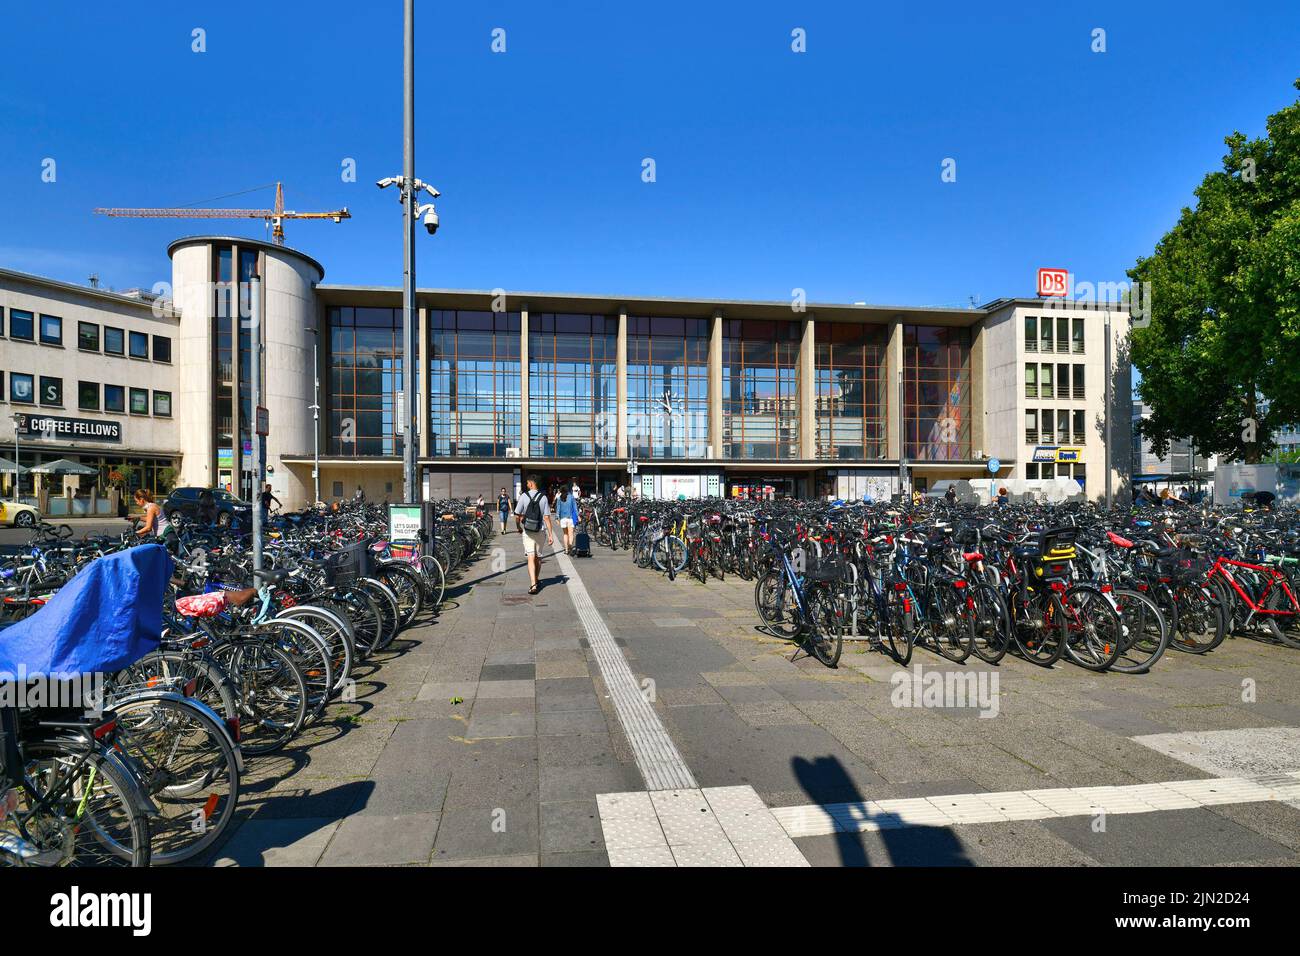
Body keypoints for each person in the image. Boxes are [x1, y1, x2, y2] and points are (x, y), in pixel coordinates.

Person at [514, 474, 555, 595]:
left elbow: (517, 515)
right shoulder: (544, 498)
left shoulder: (523, 496)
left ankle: (533, 584)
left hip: (528, 530)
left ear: (531, 483)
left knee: (531, 557)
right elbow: (547, 518)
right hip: (540, 530)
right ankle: (536, 579)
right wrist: (551, 535)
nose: (527, 485)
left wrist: (518, 527)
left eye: (527, 483)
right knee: (538, 557)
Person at [556, 484, 579, 554]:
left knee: (565, 534)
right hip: (570, 518)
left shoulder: (559, 498)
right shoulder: (571, 497)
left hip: (563, 519)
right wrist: (578, 516)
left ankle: (566, 550)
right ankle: (570, 546)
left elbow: (558, 509)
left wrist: (557, 518)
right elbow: (575, 508)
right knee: (571, 534)